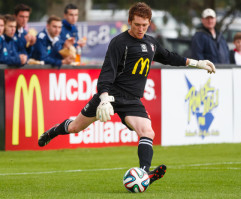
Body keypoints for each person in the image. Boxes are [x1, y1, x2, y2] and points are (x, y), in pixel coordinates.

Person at [38, 2, 215, 185]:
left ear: (149, 23)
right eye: (137, 24)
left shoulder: (151, 43)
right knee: (75, 127)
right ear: (130, 21)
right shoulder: (119, 42)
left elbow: (170, 57)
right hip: (111, 95)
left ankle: (144, 175)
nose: (140, 29)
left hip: (132, 99)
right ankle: (52, 132)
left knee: (147, 131)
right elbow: (107, 72)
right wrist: (104, 98)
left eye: (144, 25)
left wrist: (197, 63)